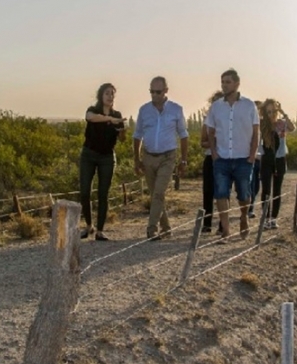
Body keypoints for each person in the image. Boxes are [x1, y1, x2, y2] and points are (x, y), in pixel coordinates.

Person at [205, 69, 259, 242]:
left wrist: (252, 155)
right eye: (222, 82)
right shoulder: (216, 107)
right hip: (221, 158)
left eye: (228, 82)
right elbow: (210, 130)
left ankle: (244, 217)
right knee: (220, 193)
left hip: (243, 158)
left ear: (237, 84)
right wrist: (214, 153)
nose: (224, 85)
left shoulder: (249, 105)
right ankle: (226, 231)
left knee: (244, 194)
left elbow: (256, 132)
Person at [133, 76, 189, 240]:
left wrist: (183, 160)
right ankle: (166, 227)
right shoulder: (144, 110)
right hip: (148, 156)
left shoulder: (176, 109)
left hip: (168, 157)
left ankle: (152, 229)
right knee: (155, 194)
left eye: (158, 91)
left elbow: (183, 135)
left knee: (159, 193)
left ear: (166, 91)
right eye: (151, 91)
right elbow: (137, 135)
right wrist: (137, 160)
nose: (154, 95)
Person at [79, 83, 126, 241]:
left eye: (112, 93)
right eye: (107, 93)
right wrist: (110, 119)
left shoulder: (117, 115)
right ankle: (88, 226)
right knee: (85, 191)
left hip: (107, 157)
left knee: (103, 193)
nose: (110, 96)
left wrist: (121, 129)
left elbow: (122, 139)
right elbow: (90, 118)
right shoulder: (93, 110)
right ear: (101, 95)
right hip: (89, 155)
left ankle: (99, 230)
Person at [259, 99, 295, 229]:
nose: (271, 114)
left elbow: (292, 128)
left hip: (279, 159)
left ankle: (273, 219)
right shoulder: (262, 124)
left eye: (273, 111)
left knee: (277, 190)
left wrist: (283, 113)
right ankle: (265, 218)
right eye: (268, 111)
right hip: (266, 159)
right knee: (266, 190)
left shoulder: (282, 124)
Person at [200, 91, 224, 233]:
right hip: (210, 158)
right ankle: (207, 223)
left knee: (223, 191)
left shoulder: (230, 121)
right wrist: (212, 141)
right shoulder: (207, 121)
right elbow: (202, 143)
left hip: (224, 158)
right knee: (208, 191)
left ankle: (222, 224)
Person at [248, 100, 263, 219]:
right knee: (251, 184)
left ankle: (250, 205)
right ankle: (250, 208)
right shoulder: (249, 124)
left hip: (263, 159)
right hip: (253, 158)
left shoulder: (265, 125)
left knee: (257, 186)